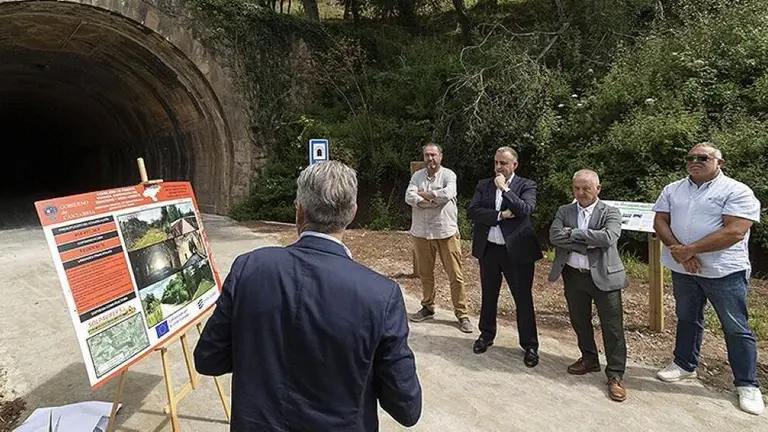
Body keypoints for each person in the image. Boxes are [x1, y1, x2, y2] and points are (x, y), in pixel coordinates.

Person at [194, 161, 423, 430]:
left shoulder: (249, 268)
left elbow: (208, 358)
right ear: (352, 213)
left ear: (299, 211)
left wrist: (259, 354)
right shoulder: (380, 295)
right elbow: (407, 408)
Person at [652, 142, 764, 415]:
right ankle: (685, 364)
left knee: (736, 326)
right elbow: (660, 221)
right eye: (690, 157)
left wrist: (691, 249)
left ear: (719, 162)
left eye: (703, 157)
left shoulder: (737, 190)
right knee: (688, 317)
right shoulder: (673, 188)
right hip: (683, 269)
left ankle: (747, 383)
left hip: (723, 271)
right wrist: (680, 253)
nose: (695, 161)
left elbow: (735, 231)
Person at [548, 169, 629, 402]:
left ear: (598, 189)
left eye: (586, 188)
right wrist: (588, 239)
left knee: (612, 327)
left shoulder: (610, 212)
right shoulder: (564, 210)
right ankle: (589, 358)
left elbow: (608, 238)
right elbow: (554, 236)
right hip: (573, 276)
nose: (581, 193)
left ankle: (615, 375)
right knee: (579, 320)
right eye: (577, 188)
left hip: (605, 276)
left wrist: (572, 234)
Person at [467, 146, 543, 367]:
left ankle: (530, 345)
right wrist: (499, 215)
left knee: (523, 298)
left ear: (514, 165)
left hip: (517, 252)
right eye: (496, 162)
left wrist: (505, 190)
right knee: (489, 295)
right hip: (489, 249)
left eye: (503, 163)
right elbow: (473, 211)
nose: (498, 167)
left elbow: (525, 210)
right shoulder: (483, 185)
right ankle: (486, 334)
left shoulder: (526, 185)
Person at [405, 143, 473, 333]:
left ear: (440, 156)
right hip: (421, 233)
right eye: (427, 155)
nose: (430, 159)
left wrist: (426, 197)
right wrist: (432, 199)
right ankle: (427, 307)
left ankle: (462, 314)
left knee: (455, 275)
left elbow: (447, 194)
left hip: (445, 232)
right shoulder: (417, 176)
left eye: (433, 155)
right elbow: (408, 196)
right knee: (426, 274)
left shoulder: (449, 175)